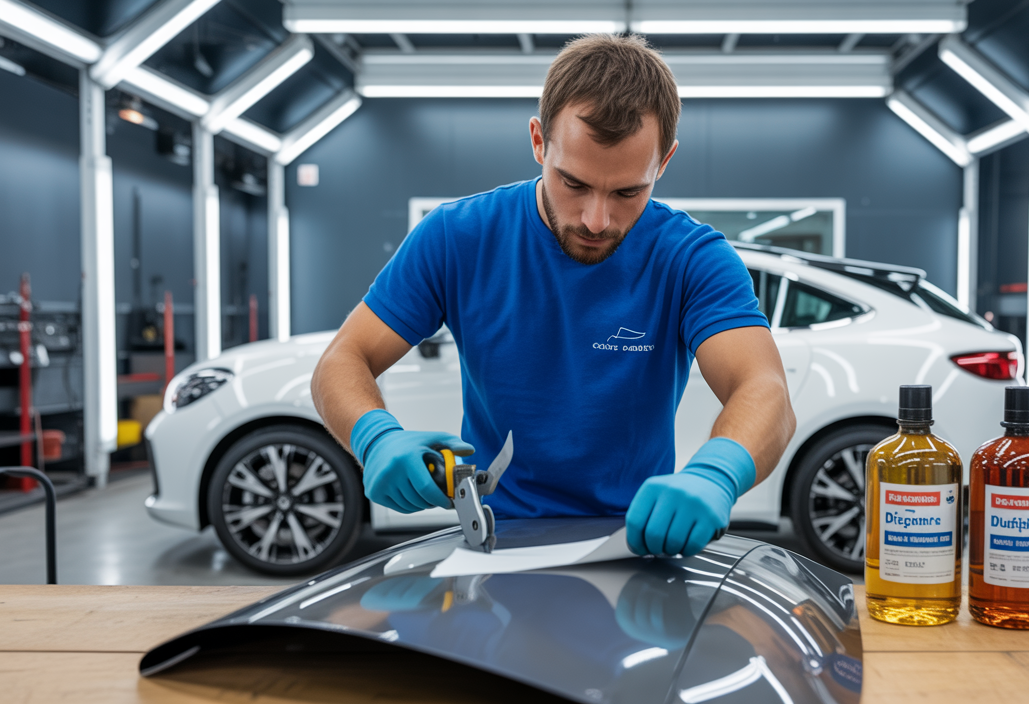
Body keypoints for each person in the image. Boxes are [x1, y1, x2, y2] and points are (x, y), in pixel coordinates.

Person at [312, 34, 795, 558]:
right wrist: (375, 436)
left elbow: (763, 388)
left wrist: (716, 474)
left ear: (665, 161)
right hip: (495, 542)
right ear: (539, 141)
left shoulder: (692, 257)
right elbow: (343, 360)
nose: (596, 219)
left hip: (637, 544)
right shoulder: (457, 237)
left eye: (627, 192)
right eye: (574, 183)